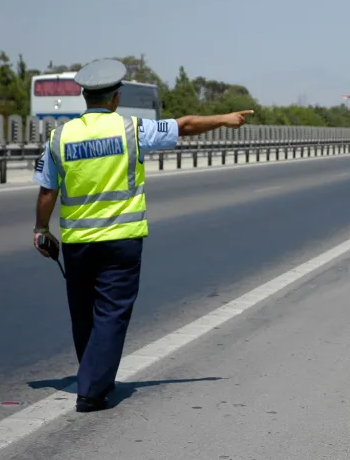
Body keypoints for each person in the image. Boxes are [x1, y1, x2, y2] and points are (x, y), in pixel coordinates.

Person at [32, 58, 254, 412]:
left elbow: (47, 192)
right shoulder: (132, 130)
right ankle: (91, 389)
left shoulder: (60, 137)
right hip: (121, 240)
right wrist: (226, 119)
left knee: (84, 314)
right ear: (115, 98)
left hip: (77, 244)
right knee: (111, 313)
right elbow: (185, 125)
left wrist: (41, 229)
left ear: (85, 97)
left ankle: (95, 375)